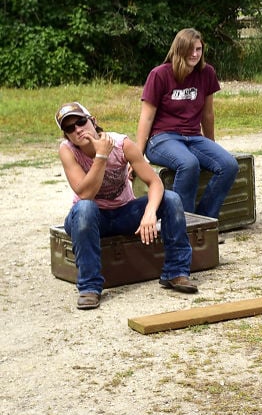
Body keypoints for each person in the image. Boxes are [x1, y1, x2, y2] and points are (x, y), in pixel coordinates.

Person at [56, 102, 199, 309]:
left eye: (81, 122)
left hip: (124, 213)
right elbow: (86, 194)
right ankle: (90, 287)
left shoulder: (122, 144)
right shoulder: (68, 151)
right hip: (89, 219)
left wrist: (150, 212)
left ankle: (176, 272)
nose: (78, 129)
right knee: (86, 208)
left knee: (171, 199)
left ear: (93, 121)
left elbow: (154, 182)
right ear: (67, 135)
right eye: (70, 128)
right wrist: (101, 156)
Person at [136, 28, 239, 219]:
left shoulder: (207, 73)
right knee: (188, 164)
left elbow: (207, 114)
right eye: (190, 49)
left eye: (198, 49)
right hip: (161, 138)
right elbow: (146, 117)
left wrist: (211, 145)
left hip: (192, 137)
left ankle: (204, 221)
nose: (195, 54)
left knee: (228, 164)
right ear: (179, 50)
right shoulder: (159, 74)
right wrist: (137, 156)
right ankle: (183, 224)